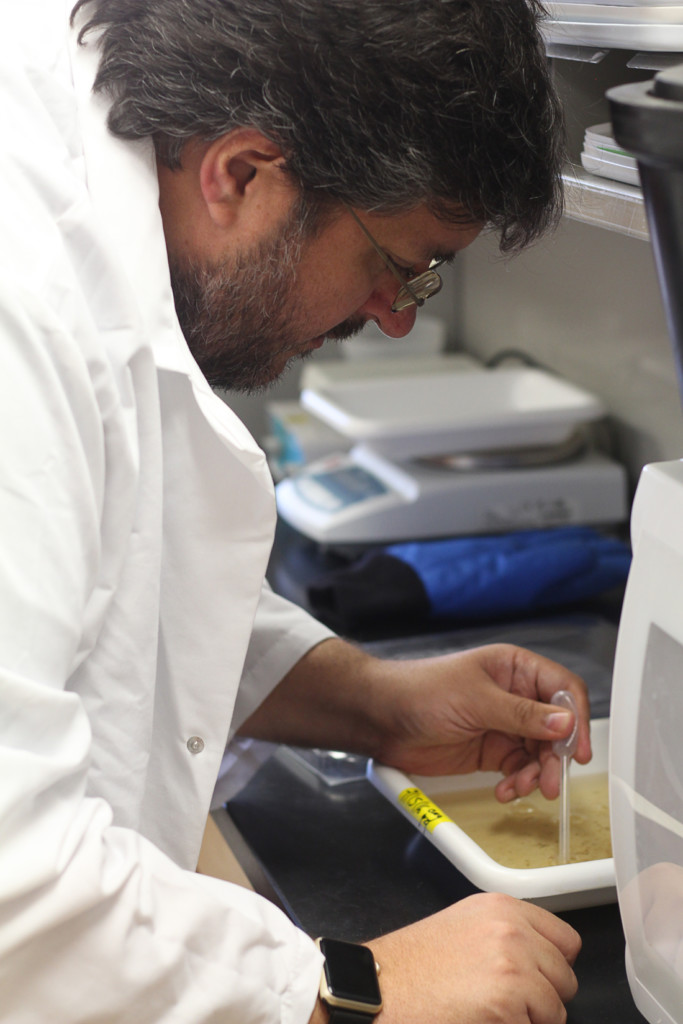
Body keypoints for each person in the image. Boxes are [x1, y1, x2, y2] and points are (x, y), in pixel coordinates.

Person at [0, 0, 590, 1021]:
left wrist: (374, 703)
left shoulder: (98, 141)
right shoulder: (23, 290)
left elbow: (112, 564)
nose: (397, 319)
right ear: (241, 173)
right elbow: (15, 887)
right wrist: (349, 987)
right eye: (397, 266)